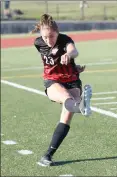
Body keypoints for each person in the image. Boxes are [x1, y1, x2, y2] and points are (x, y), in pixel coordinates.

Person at [31, 14, 92, 166]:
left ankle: (47, 156)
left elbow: (74, 51)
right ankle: (81, 105)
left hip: (72, 80)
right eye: (45, 37)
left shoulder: (65, 40)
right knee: (67, 99)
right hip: (53, 80)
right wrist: (71, 65)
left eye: (51, 36)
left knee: (67, 116)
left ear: (58, 32)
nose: (48, 40)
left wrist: (69, 55)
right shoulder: (38, 43)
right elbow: (52, 59)